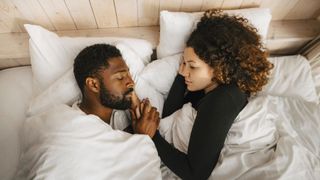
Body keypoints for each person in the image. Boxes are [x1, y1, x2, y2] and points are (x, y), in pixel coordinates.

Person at [131, 9, 274, 179]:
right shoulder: (208, 87)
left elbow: (196, 174)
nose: (183, 71)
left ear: (219, 67)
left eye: (192, 66)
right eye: (183, 63)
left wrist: (152, 136)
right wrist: (184, 70)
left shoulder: (222, 98)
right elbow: (171, 115)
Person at [15, 44, 161, 179]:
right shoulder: (60, 123)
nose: (131, 82)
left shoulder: (110, 130)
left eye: (128, 74)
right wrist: (144, 139)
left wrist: (137, 136)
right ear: (93, 84)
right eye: (120, 77)